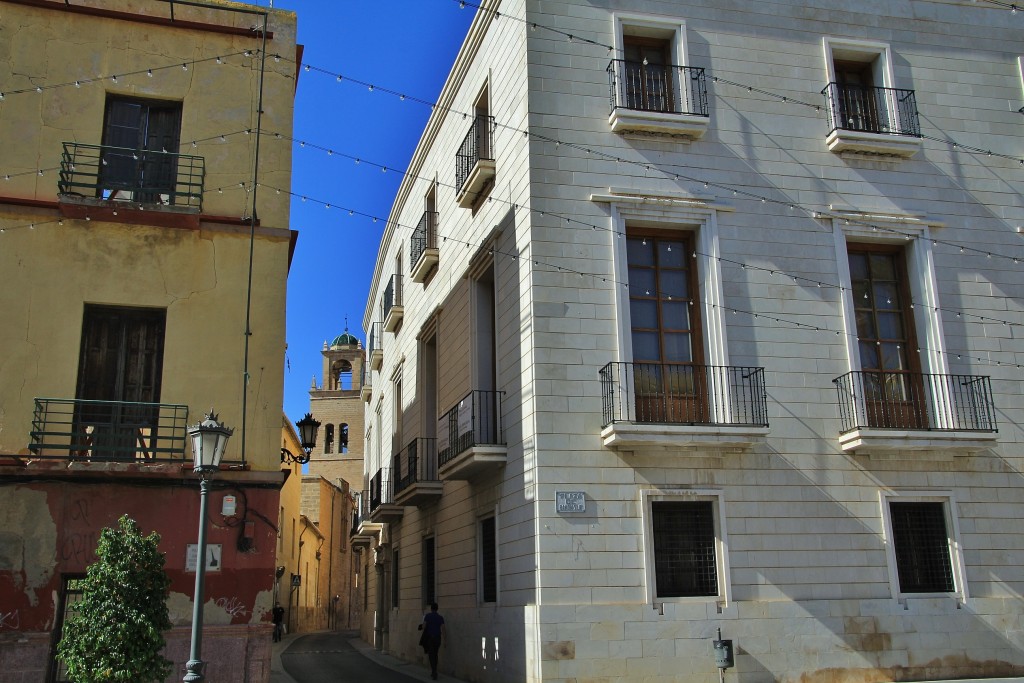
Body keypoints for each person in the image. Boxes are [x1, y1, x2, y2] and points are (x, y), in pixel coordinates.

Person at [418, 602, 446, 679]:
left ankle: (434, 672)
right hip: (438, 638)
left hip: (430, 638)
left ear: (431, 609)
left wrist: (420, 626)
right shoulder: (440, 618)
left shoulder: (427, 616)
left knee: (431, 655)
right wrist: (445, 640)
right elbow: (443, 629)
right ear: (437, 609)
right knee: (435, 654)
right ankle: (434, 670)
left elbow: (423, 626)